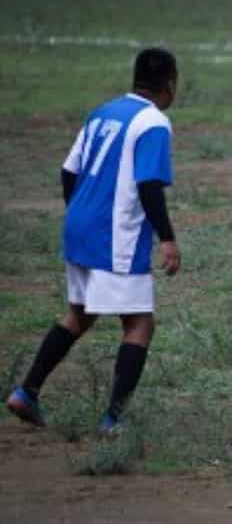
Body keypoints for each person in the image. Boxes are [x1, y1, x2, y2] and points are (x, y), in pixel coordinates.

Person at [7, 48, 183, 434]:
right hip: (113, 237)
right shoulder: (153, 122)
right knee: (139, 324)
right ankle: (113, 419)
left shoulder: (103, 112)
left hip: (79, 227)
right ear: (169, 82)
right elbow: (149, 184)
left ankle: (27, 392)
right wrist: (167, 239)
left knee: (79, 314)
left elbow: (68, 171)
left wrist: (80, 212)